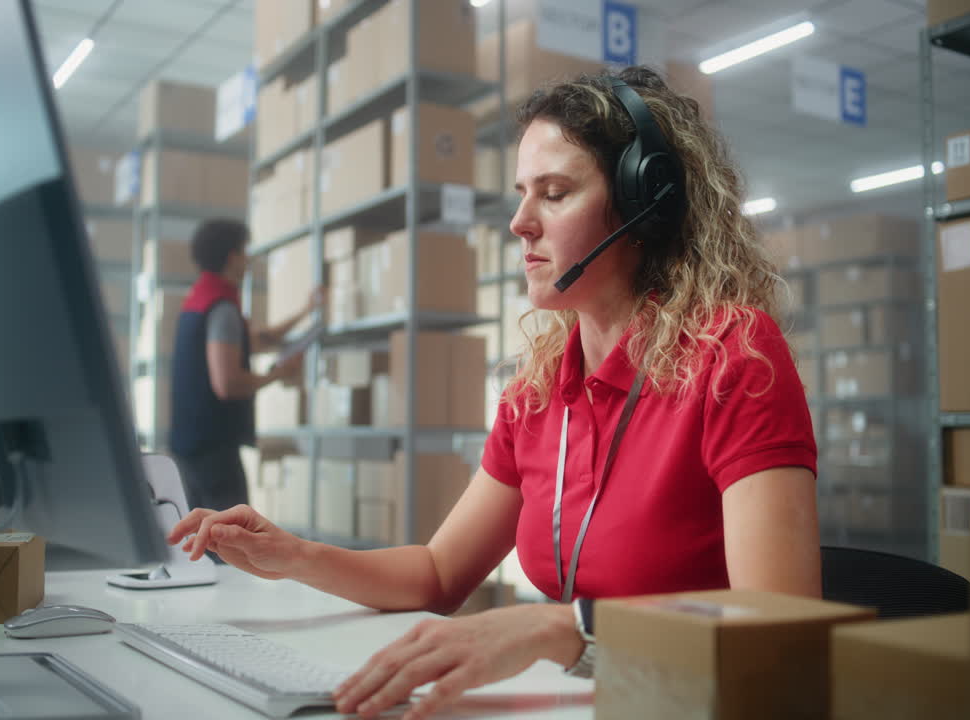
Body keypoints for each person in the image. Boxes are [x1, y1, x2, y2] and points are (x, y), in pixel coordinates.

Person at [168, 66, 819, 720]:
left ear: (645, 203)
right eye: (520, 194)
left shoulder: (733, 356)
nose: (519, 223)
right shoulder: (538, 389)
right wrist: (295, 556)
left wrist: (565, 627)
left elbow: (780, 627)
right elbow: (438, 573)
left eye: (555, 193)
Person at [168, 218, 321, 514]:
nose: (248, 259)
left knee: (203, 542)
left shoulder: (201, 299)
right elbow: (227, 384)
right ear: (231, 256)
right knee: (231, 539)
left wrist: (307, 311)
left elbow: (261, 339)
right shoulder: (223, 309)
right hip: (213, 450)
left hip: (191, 446)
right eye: (244, 251)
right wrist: (276, 375)